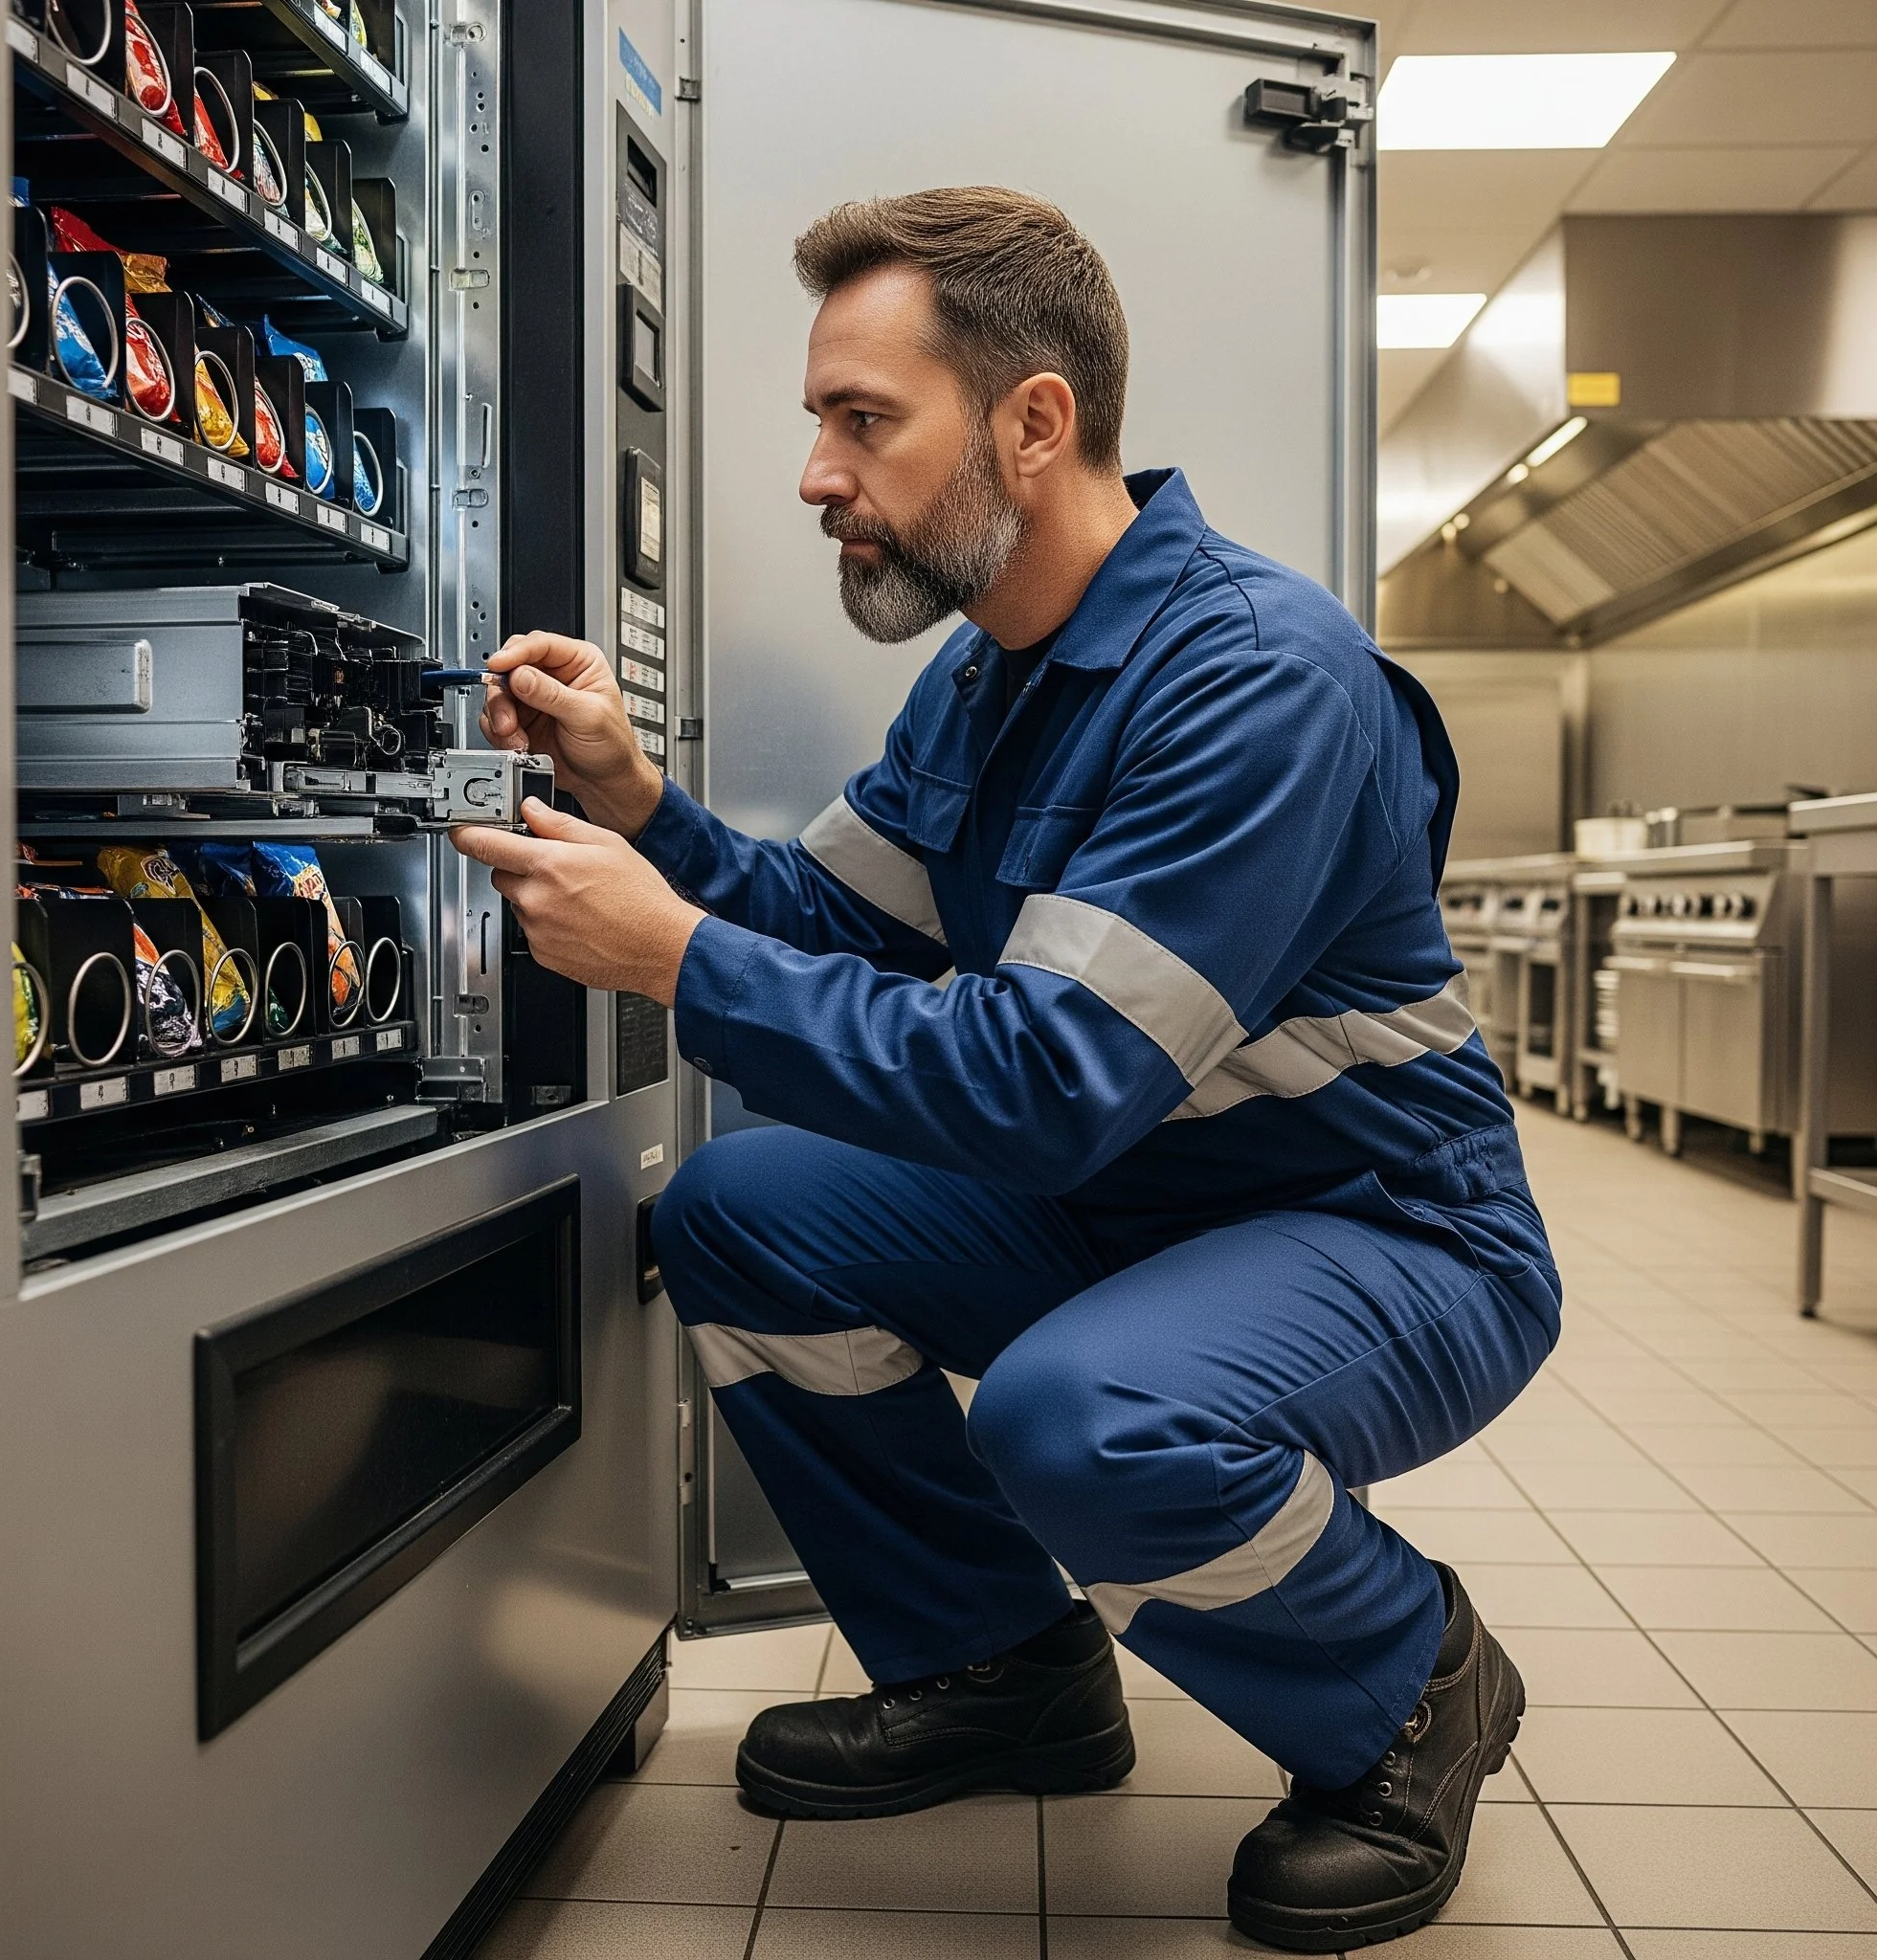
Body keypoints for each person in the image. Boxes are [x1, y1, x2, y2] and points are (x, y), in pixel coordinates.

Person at [450, 187, 1561, 1953]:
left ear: (1035, 425)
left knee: (1086, 1415)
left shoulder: (1258, 680)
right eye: (822, 422)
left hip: (1389, 1236)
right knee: (742, 1212)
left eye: (861, 421)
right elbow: (836, 927)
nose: (818, 474)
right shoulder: (990, 680)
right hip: (1130, 1206)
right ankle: (1001, 1666)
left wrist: (669, 953)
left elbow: (1049, 1080)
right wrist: (636, 803)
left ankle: (1410, 1684)